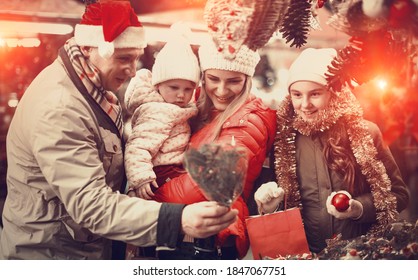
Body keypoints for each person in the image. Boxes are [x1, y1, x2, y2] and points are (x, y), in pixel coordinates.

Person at [0, 1, 237, 260]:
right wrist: (176, 220)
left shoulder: (93, 90)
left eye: (136, 58)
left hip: (80, 248)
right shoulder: (61, 108)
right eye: (124, 58)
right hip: (51, 257)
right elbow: (91, 206)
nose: (133, 70)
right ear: (90, 48)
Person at [254, 48, 409, 254]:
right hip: (305, 254)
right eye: (297, 95)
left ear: (334, 93)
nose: (305, 104)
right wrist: (271, 205)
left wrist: (358, 208)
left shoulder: (366, 133)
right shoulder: (284, 140)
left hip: (358, 253)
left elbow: (398, 195)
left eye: (315, 94)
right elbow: (280, 201)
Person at [147, 39, 277, 260]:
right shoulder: (200, 109)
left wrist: (147, 201)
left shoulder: (247, 121)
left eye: (233, 81)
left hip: (210, 240)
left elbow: (206, 184)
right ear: (203, 77)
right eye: (213, 79)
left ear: (247, 80)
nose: (222, 90)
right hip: (187, 232)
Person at [124, 23, 200, 200]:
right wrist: (141, 178)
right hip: (159, 175)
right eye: (174, 87)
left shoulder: (178, 108)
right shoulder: (157, 111)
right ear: (158, 85)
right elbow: (138, 146)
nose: (181, 95)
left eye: (188, 89)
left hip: (175, 169)